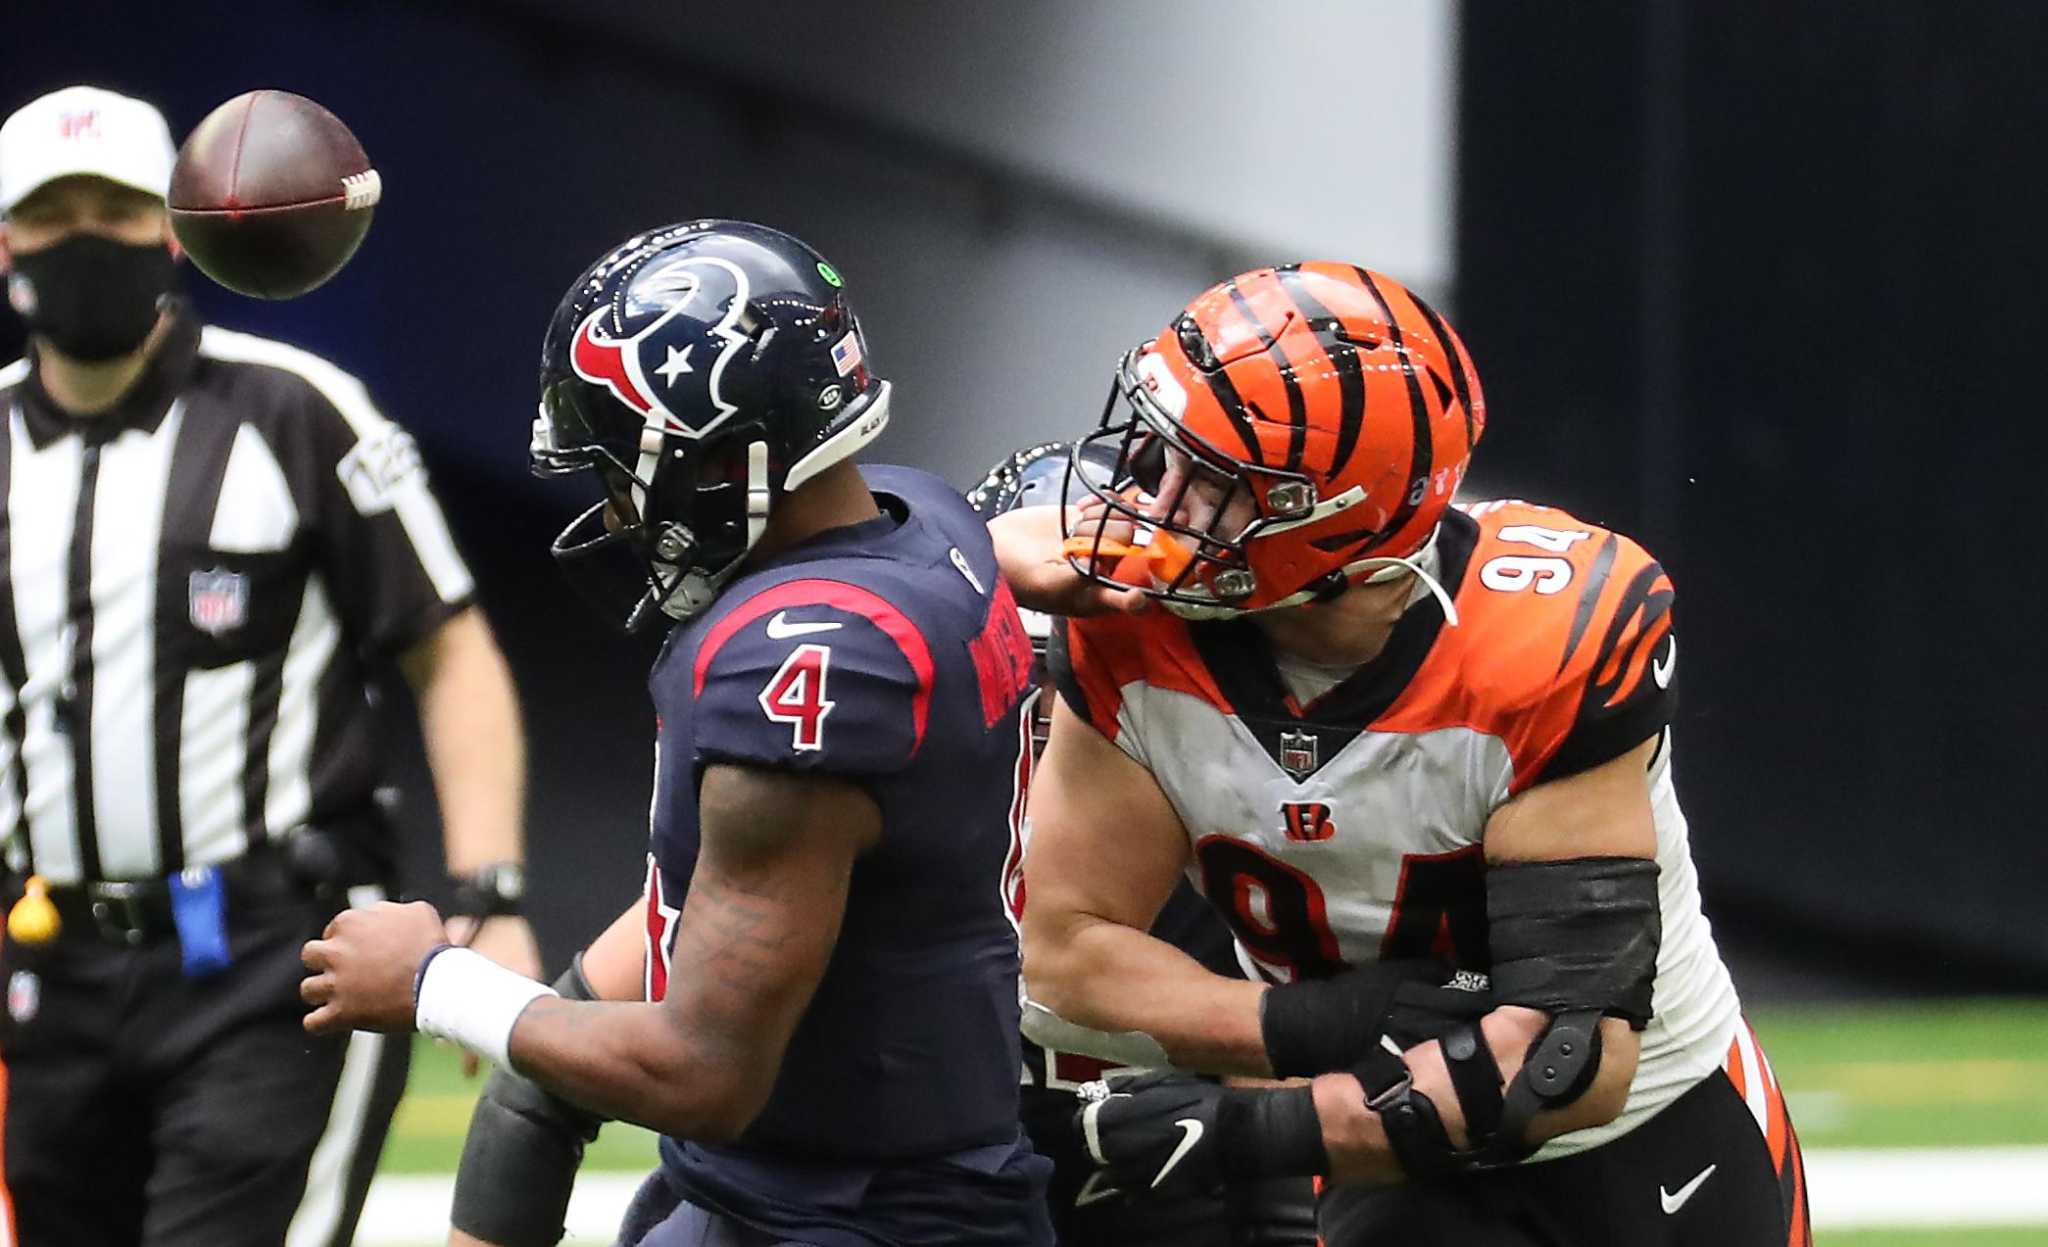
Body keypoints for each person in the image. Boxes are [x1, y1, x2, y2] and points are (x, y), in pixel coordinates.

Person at [994, 262, 1811, 1245]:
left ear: (1326, 517)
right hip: (1378, 1142)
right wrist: (1304, 1025)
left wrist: (1245, 1125)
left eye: (1208, 478)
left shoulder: (1532, 641)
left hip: (1645, 1141)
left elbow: (1564, 1058)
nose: (1154, 499)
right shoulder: (1132, 627)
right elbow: (1063, 958)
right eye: (1160, 455)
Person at [299, 220, 1053, 1247]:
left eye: (621, 470)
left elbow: (706, 1071)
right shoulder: (923, 517)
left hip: (854, 1214)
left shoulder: (806, 660)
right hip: (772, 1185)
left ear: (718, 456)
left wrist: (435, 981)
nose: (615, 509)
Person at [0, 85, 537, 1247]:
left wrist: (491, 894)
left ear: (175, 226)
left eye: (117, 206)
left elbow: (452, 654)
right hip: (51, 962)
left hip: (272, 956)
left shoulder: (296, 410)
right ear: (7, 241)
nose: (84, 234)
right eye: (53, 213)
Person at [967, 441, 1318, 1247]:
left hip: (1164, 1176)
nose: (1053, 706)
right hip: (949, 1176)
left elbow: (1281, 1041)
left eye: (1083, 669)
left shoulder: (1224, 790)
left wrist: (1287, 1202)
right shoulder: (921, 771)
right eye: (1031, 668)